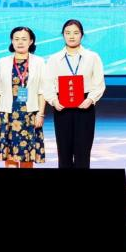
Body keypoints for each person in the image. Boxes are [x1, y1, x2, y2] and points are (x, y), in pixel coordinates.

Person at [42, 19, 106, 169]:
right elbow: (48, 84)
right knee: (63, 151)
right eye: (68, 33)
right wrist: (54, 101)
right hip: (62, 106)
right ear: (63, 35)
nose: (72, 36)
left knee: (83, 150)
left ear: (82, 35)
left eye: (76, 33)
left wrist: (90, 99)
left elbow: (99, 83)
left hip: (85, 105)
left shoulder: (92, 57)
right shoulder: (54, 59)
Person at [0, 26, 46, 167]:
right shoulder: (3, 62)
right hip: (7, 114)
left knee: (27, 156)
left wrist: (40, 114)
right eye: (16, 39)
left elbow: (42, 91)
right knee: (9, 155)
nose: (20, 42)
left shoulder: (39, 62)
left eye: (24, 39)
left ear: (31, 41)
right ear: (12, 41)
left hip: (29, 114)